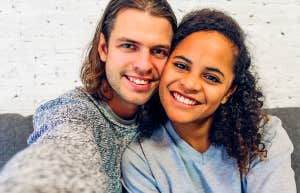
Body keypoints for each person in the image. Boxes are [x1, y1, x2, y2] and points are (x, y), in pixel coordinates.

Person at [0, 0, 176, 192]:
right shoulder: (72, 112)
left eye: (158, 51)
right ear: (103, 48)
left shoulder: (169, 115)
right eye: (129, 46)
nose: (144, 65)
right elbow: (63, 154)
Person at [121, 9, 296, 193]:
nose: (190, 84)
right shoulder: (141, 158)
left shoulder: (264, 136)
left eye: (211, 78)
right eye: (181, 66)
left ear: (229, 91)